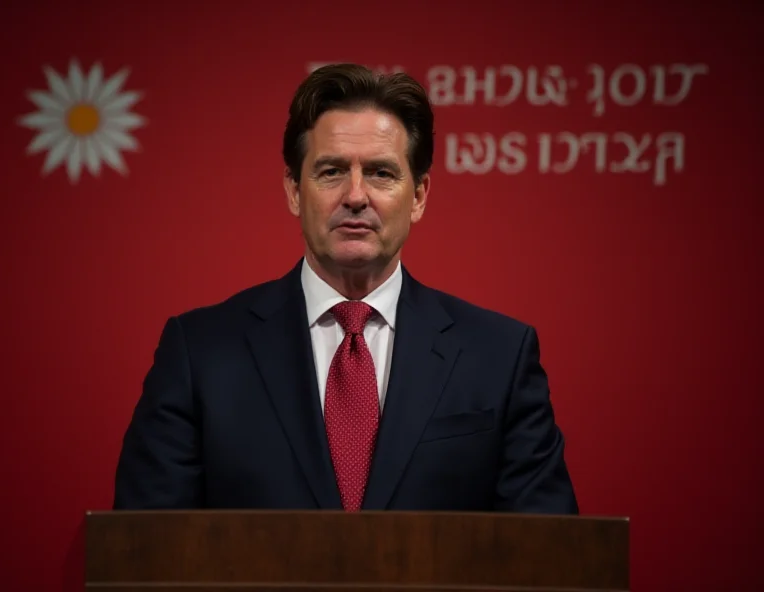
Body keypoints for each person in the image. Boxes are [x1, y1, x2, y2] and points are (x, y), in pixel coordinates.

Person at [113, 63, 579, 514]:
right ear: (295, 190)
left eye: (380, 172)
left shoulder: (499, 356)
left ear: (418, 196)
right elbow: (144, 552)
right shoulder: (200, 353)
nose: (355, 196)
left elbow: (549, 560)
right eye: (331, 171)